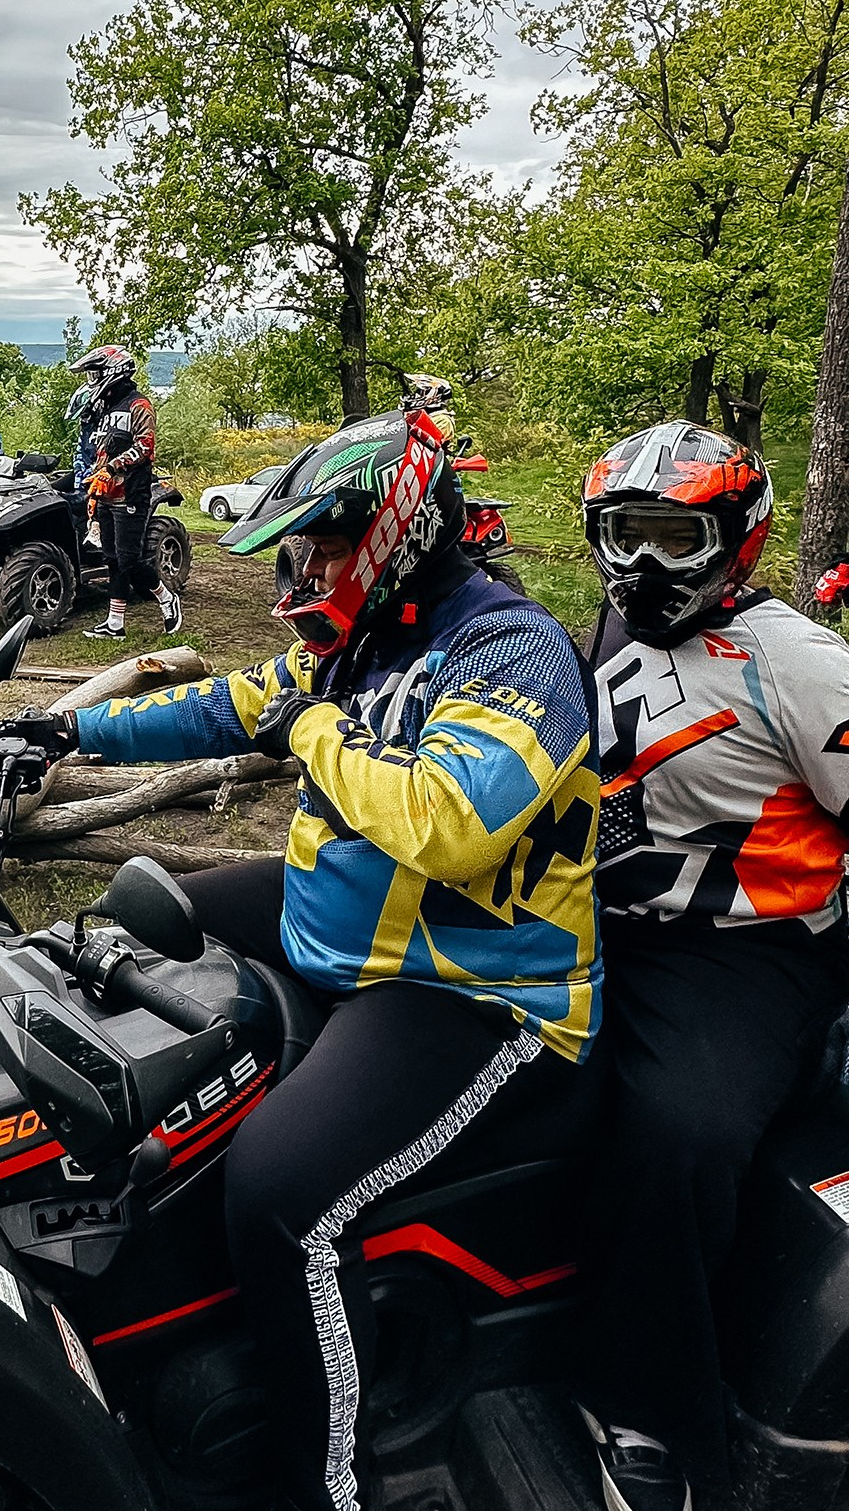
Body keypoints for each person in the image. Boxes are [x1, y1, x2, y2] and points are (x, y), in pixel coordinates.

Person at [10, 411, 604, 1511]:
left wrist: (311, 730)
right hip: (345, 926)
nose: (303, 572)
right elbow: (232, 702)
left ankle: (323, 1480)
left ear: (397, 531)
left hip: (462, 979)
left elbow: (449, 819)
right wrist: (63, 733)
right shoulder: (365, 633)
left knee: (282, 1192)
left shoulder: (512, 648)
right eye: (298, 551)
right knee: (118, 922)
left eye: (323, 547)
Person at [573, 421, 849, 1511]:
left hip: (751, 948)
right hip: (613, 921)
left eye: (670, 539)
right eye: (622, 534)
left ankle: (654, 1414)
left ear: (736, 539)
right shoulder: (605, 628)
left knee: (674, 1137)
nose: (640, 565)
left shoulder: (800, 659)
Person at [69, 343, 181, 639]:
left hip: (131, 492)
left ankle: (166, 597)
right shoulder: (104, 409)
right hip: (104, 493)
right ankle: (115, 623)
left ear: (114, 370)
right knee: (113, 560)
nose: (91, 380)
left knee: (129, 559)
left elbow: (146, 446)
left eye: (95, 374)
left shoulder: (138, 405)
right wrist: (91, 476)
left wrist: (113, 468)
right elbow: (98, 449)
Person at [399, 373, 456, 445]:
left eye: (419, 392)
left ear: (433, 396)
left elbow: (427, 444)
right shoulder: (415, 415)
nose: (415, 395)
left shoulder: (443, 420)